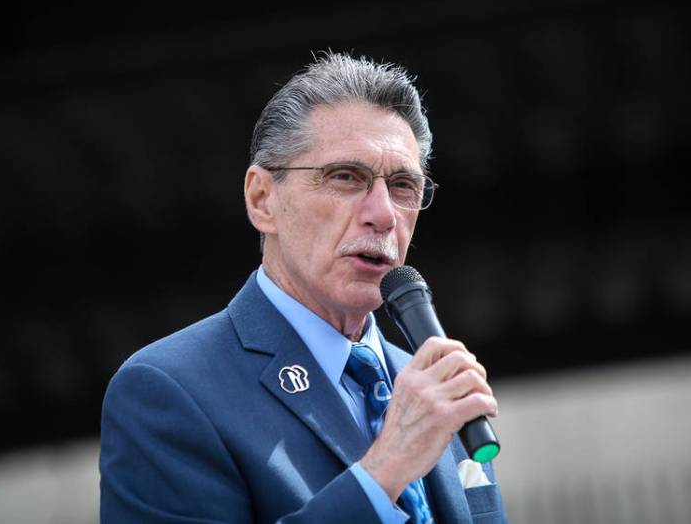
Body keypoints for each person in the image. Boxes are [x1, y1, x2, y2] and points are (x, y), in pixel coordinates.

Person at [99, 53, 508, 523]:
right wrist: (384, 471)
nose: (383, 214)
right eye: (345, 177)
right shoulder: (168, 390)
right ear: (262, 200)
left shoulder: (435, 392)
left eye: (402, 186)